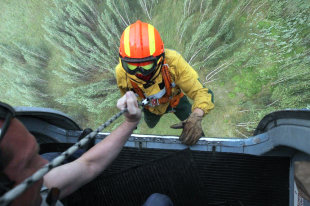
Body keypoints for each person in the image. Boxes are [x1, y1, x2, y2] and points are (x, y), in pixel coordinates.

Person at [0, 92, 172, 205]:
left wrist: (130, 123)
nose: (42, 163)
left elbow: (89, 165)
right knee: (159, 201)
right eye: (28, 162)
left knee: (52, 157)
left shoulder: (31, 190)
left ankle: (79, 150)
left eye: (34, 154)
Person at [115, 20, 214, 146]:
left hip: (176, 101)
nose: (140, 73)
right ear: (123, 61)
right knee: (151, 124)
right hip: (151, 108)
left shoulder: (173, 62)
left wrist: (197, 115)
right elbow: (126, 96)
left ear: (160, 58)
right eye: (132, 66)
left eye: (147, 66)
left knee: (195, 132)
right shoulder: (121, 72)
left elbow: (202, 92)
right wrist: (130, 112)